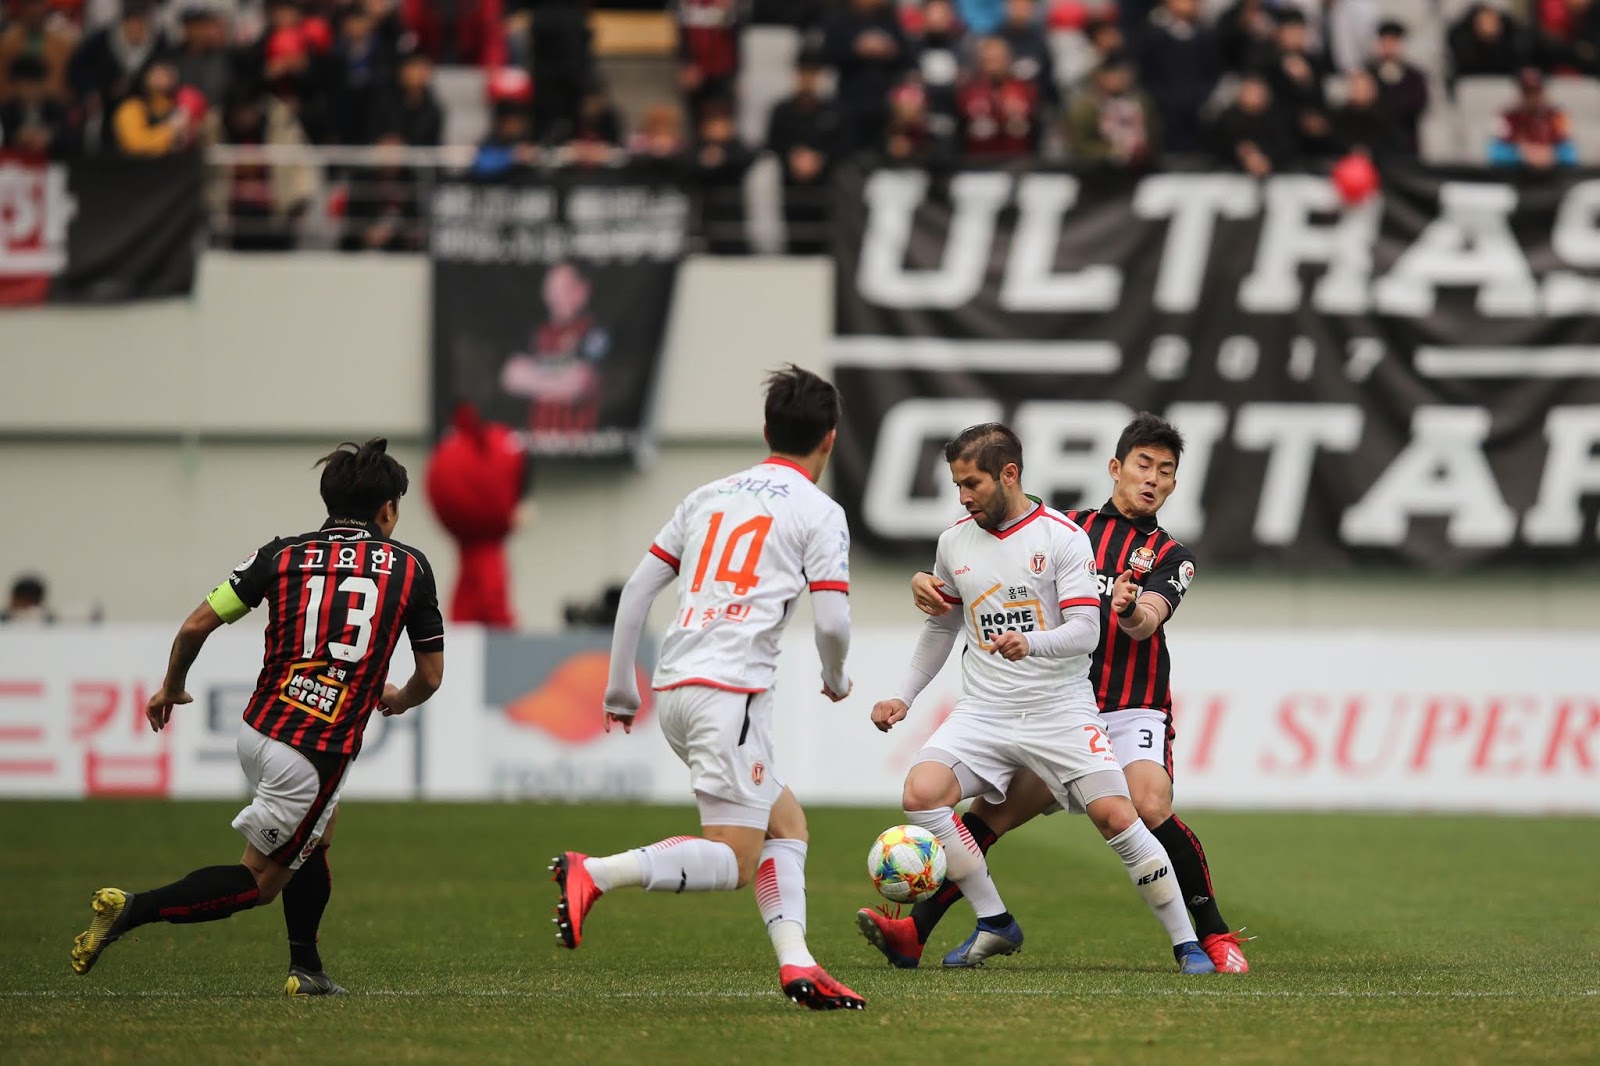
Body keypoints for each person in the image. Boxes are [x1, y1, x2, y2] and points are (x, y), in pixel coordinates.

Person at [860, 414, 1248, 974]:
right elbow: (989, 561)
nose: (1153, 479)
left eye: (1166, 472)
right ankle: (917, 931)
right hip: (1053, 701)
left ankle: (1210, 936)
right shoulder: (1067, 530)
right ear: (1116, 468)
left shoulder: (1170, 554)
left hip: (1129, 704)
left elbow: (1146, 622)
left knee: (1145, 805)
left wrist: (1132, 609)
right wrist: (925, 580)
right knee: (990, 814)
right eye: (1144, 465)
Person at [70, 438, 445, 996]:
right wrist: (397, 699)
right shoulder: (410, 566)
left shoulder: (281, 554)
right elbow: (431, 676)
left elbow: (196, 625)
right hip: (315, 750)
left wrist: (172, 686)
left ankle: (308, 968)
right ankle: (132, 910)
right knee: (261, 881)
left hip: (259, 728)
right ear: (388, 508)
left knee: (319, 834)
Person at [552, 365, 865, 1011]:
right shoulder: (819, 511)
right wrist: (836, 679)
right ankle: (598, 873)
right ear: (829, 440)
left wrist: (620, 689)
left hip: (676, 688)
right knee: (736, 861)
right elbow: (833, 621)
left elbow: (638, 589)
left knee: (787, 823)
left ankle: (798, 963)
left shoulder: (706, 495)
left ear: (765, 430)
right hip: (733, 695)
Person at [765, 49, 838, 255]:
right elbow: (773, 144)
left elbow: (842, 147)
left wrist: (819, 160)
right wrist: (794, 158)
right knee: (795, 239)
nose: (808, 79)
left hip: (824, 188)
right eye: (803, 72)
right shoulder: (782, 111)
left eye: (813, 73)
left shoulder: (833, 111)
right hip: (791, 187)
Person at [1063, 52, 1159, 167]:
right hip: (1098, 172)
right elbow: (1079, 145)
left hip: (1141, 168)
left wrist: (1145, 150)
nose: (1119, 79)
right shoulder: (1086, 107)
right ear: (1099, 77)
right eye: (1113, 74)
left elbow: (1155, 132)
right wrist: (1113, 152)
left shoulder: (1141, 101)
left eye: (1123, 73)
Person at [956, 36, 1041, 159]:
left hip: (1019, 163)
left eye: (998, 60)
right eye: (989, 60)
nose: (994, 66)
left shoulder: (1027, 90)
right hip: (977, 164)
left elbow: (1036, 129)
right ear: (980, 61)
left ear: (1008, 60)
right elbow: (960, 131)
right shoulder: (966, 91)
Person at [1490, 67, 1578, 168]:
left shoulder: (1557, 115)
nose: (1532, 97)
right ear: (1519, 93)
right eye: (1527, 92)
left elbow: (1569, 152)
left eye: (1536, 91)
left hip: (1553, 174)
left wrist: (1550, 153)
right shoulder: (1507, 116)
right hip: (1516, 173)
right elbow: (1497, 153)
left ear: (1543, 91)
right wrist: (1521, 153)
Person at [1211, 70, 1293, 177]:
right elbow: (1216, 147)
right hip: (1231, 176)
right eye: (1250, 91)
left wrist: (1266, 158)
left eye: (1259, 92)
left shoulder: (1278, 118)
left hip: (1277, 175)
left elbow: (1287, 147)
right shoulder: (1227, 119)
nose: (1255, 97)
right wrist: (1243, 154)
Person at [1366, 19, 1427, 158]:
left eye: (1393, 42)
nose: (1388, 47)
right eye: (1384, 42)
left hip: (1406, 144)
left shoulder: (1414, 76)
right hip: (1375, 145)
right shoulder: (1369, 73)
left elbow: (1418, 104)